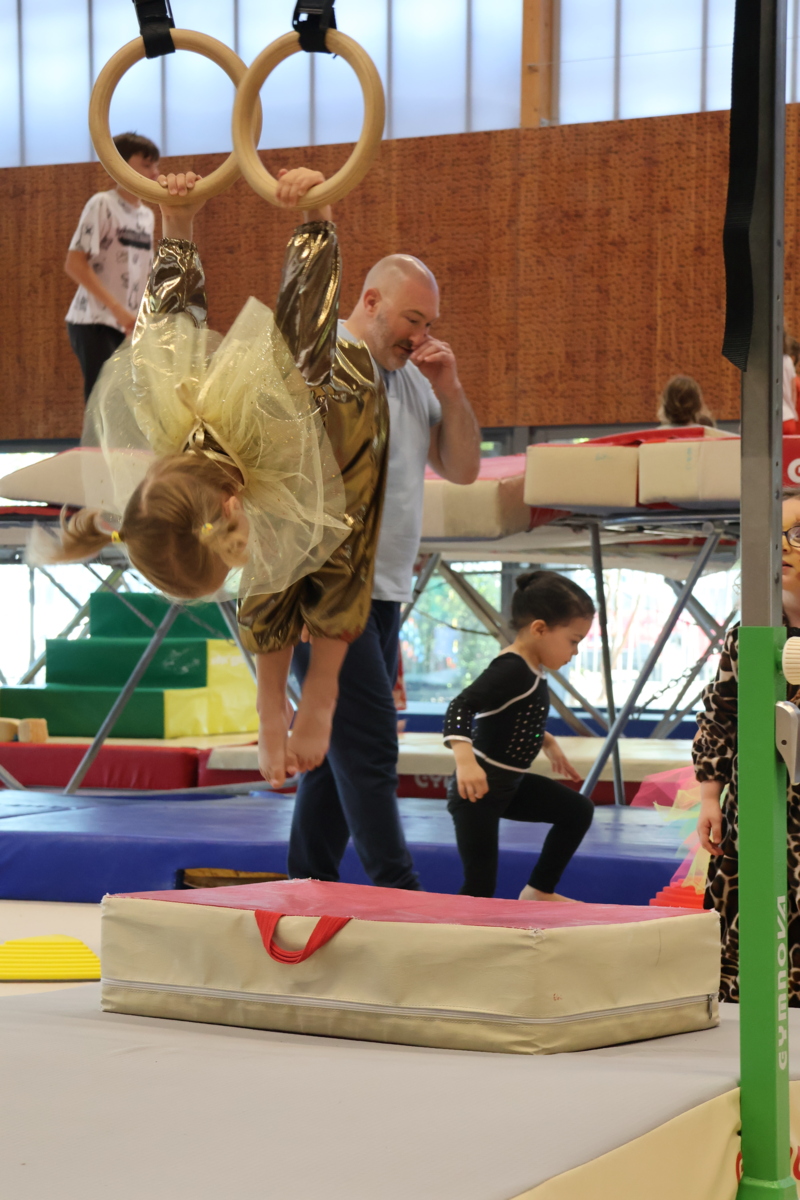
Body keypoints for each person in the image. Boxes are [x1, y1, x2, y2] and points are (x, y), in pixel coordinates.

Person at [34, 167, 389, 786]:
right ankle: (270, 701)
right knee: (273, 561)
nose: (239, 569)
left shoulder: (202, 400)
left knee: (340, 541)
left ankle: (321, 692)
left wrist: (314, 216)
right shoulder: (197, 502)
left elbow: (297, 312)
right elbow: (167, 312)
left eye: (227, 559)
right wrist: (180, 220)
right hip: (271, 426)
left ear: (228, 507)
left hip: (339, 407)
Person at [287, 251, 481, 890]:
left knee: (334, 752)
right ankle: (399, 892)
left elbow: (463, 468)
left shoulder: (414, 381)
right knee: (370, 743)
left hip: (384, 590)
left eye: (429, 325)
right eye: (411, 320)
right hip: (326, 588)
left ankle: (308, 883)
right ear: (370, 302)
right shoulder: (324, 363)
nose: (419, 336)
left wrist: (450, 388)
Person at [695, 493, 800, 1005]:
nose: (784, 546)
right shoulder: (749, 636)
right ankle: (749, 1002)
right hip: (755, 808)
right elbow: (719, 714)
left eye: (798, 534)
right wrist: (708, 797)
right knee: (750, 908)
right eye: (775, 536)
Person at [444, 570, 596, 900]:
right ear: (539, 629)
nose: (575, 652)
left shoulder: (532, 667)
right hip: (477, 792)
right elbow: (461, 706)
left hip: (508, 786)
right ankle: (455, 931)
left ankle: (539, 890)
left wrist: (547, 741)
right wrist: (465, 763)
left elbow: (510, 718)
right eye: (573, 641)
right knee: (479, 886)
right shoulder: (512, 667)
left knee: (577, 810)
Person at [65, 132, 160, 402]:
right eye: (146, 165)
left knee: (126, 402)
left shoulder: (147, 215)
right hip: (94, 321)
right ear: (119, 165)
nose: (155, 173)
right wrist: (118, 310)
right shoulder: (102, 204)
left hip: (128, 324)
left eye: (156, 165)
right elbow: (74, 264)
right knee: (102, 401)